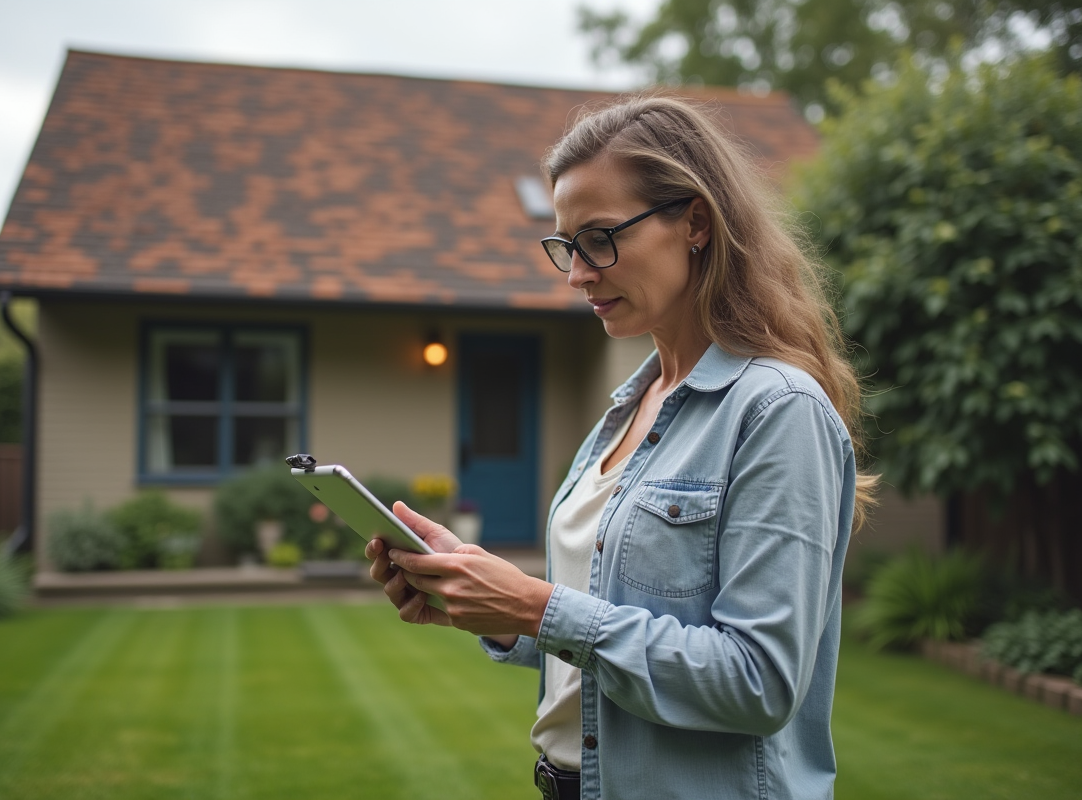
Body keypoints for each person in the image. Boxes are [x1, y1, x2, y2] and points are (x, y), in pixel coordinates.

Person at [366, 93, 876, 800]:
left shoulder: (777, 411)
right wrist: (484, 600)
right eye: (567, 247)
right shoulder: (628, 407)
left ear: (695, 222)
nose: (578, 273)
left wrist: (535, 607)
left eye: (600, 238)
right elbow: (602, 627)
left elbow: (759, 681)